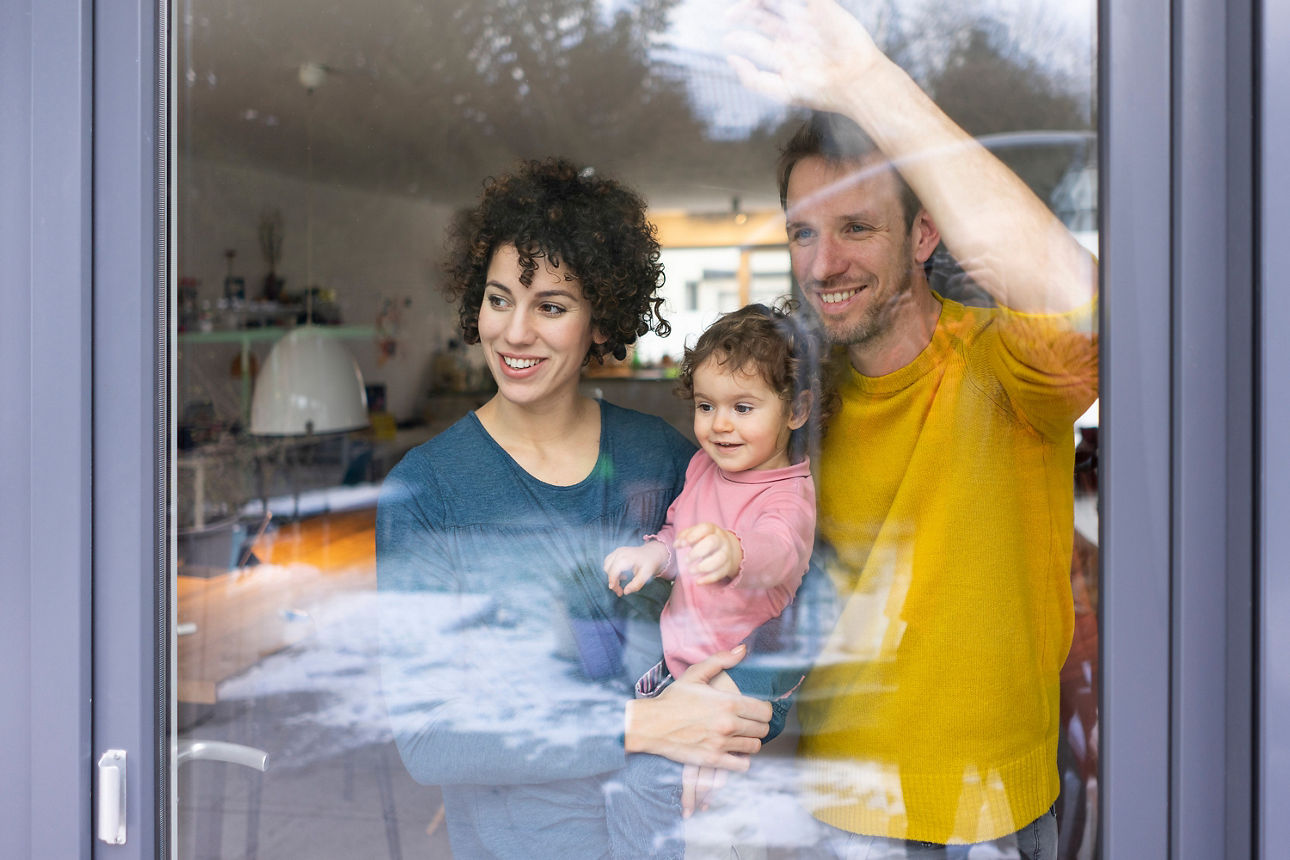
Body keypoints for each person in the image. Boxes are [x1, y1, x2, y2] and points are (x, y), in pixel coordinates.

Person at [726, 1, 1099, 856]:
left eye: (858, 226)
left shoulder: (1005, 369)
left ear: (924, 232)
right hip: (828, 805)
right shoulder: (800, 393)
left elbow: (1081, 306)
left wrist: (866, 81)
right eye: (804, 233)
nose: (824, 264)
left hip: (981, 818)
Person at [376, 158, 774, 858]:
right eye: (500, 300)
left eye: (551, 307)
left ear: (600, 322)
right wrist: (642, 727)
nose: (515, 333)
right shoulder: (428, 490)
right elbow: (427, 736)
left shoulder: (660, 457)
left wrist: (730, 716)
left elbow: (769, 596)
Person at [600, 303, 830, 856]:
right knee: (654, 787)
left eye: (743, 407)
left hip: (747, 679)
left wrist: (736, 552)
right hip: (684, 663)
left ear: (796, 410)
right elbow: (678, 529)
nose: (719, 424)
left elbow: (781, 553)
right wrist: (654, 556)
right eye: (706, 406)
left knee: (704, 811)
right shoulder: (705, 466)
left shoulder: (787, 493)